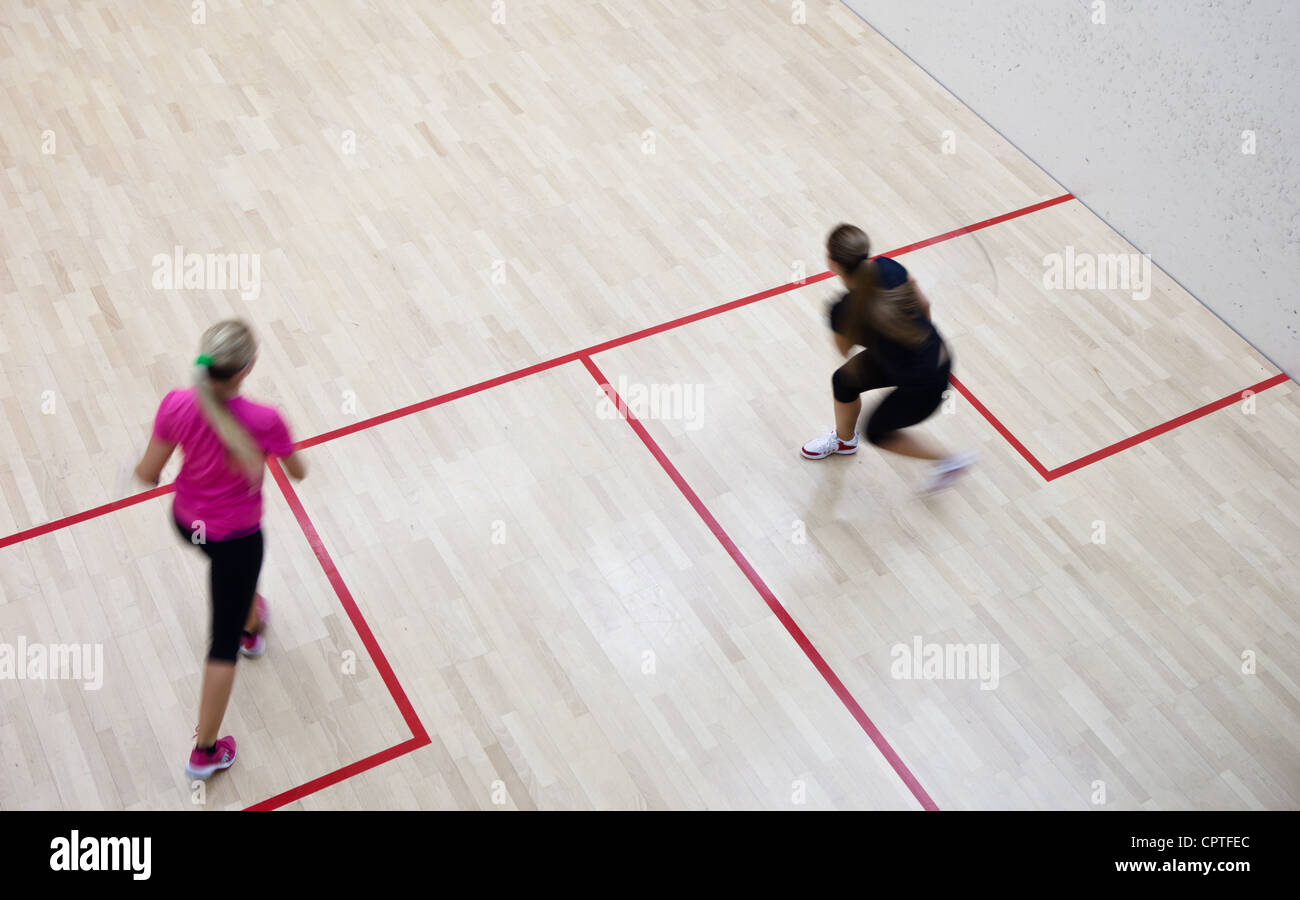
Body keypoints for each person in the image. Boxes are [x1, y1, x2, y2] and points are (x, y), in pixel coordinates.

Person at [133, 319, 307, 779]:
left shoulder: (176, 404)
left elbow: (147, 471)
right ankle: (205, 752)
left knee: (236, 583)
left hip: (188, 525)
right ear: (247, 368)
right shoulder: (265, 421)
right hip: (237, 540)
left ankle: (252, 617)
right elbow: (300, 471)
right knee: (223, 643)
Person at [801, 223, 975, 492]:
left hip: (924, 383)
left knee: (877, 432)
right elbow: (924, 305)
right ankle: (845, 442)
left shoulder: (842, 311)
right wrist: (911, 339)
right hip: (934, 354)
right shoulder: (889, 267)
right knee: (844, 381)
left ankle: (949, 461)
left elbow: (843, 350)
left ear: (831, 262)